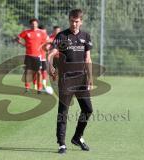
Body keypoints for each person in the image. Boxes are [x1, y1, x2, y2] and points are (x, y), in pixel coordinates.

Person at [48, 9, 93, 154]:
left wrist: (90, 78)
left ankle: (78, 137)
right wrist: (50, 65)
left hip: (81, 79)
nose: (74, 24)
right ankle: (61, 143)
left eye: (77, 21)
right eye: (72, 21)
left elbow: (87, 58)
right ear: (69, 20)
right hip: (66, 79)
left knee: (88, 109)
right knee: (63, 112)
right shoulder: (62, 36)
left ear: (81, 21)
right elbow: (52, 53)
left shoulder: (85, 36)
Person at [16, 18, 47, 94]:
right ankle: (27, 88)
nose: (34, 25)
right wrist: (24, 44)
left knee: (39, 72)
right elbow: (18, 38)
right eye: (32, 24)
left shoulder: (41, 33)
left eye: (35, 24)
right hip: (29, 55)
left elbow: (47, 40)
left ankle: (39, 89)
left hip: (37, 56)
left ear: (37, 24)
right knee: (28, 72)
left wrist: (42, 46)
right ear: (30, 25)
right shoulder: (26, 32)